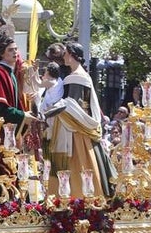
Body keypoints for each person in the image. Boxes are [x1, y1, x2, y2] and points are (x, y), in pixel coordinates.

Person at [43, 41, 115, 198]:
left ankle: (75, 199)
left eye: (67, 53)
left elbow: (73, 104)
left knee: (77, 168)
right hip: (80, 128)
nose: (65, 56)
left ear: (72, 55)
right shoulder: (83, 76)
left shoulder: (74, 78)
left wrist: (52, 109)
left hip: (75, 130)